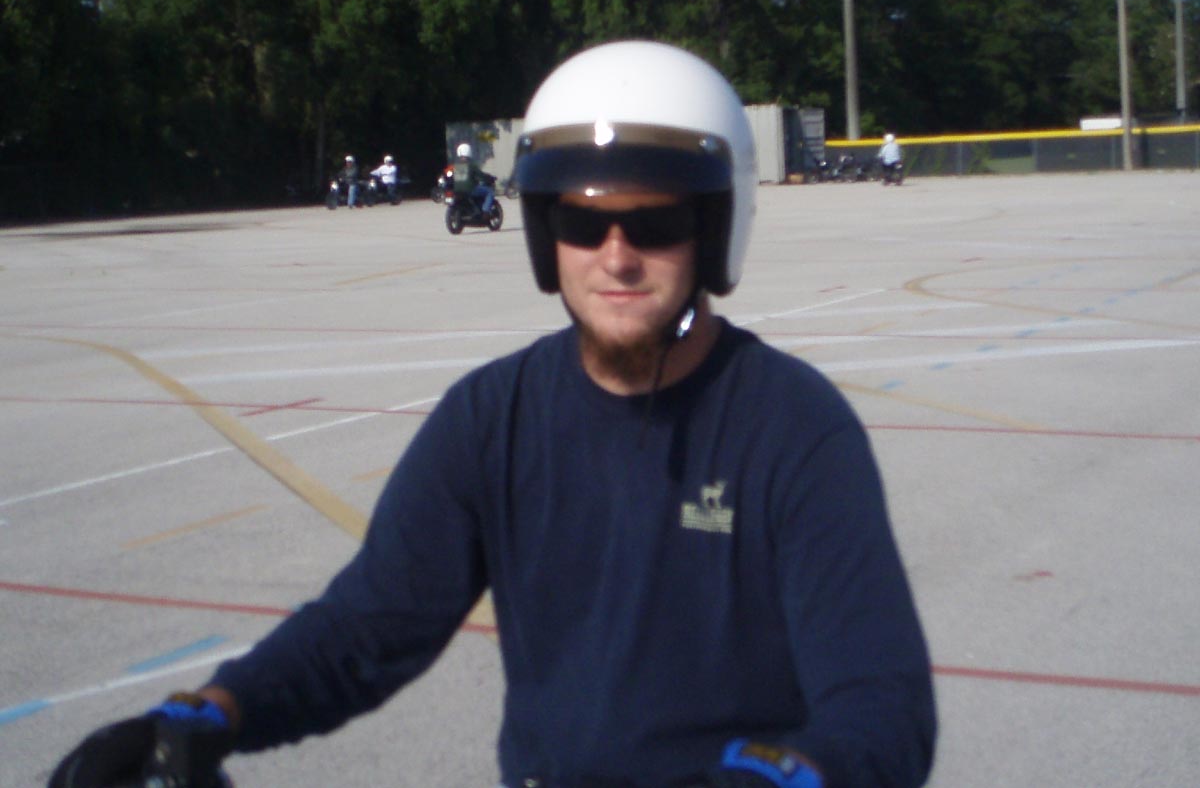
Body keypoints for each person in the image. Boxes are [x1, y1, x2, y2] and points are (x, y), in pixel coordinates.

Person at [49, 41, 936, 788]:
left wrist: (798, 773)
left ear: (713, 230)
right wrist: (208, 714)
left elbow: (881, 702)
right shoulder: (493, 417)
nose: (616, 256)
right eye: (582, 223)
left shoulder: (791, 427)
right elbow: (371, 622)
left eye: (656, 222)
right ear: (547, 237)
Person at [452, 141, 496, 214]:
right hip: (470, 190)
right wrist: (490, 178)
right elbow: (481, 176)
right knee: (490, 191)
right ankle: (485, 211)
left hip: (457, 190)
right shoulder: (471, 165)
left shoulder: (456, 166)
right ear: (469, 152)